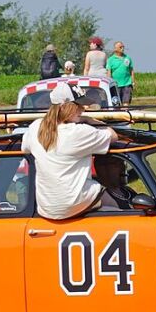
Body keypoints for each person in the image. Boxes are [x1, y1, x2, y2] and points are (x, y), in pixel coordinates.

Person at [21, 83, 117, 220]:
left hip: (47, 208)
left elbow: (24, 147)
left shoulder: (35, 127)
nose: (82, 109)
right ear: (64, 107)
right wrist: (88, 120)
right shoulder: (78, 132)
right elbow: (113, 135)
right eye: (78, 106)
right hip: (74, 203)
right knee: (117, 204)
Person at [106, 41, 134, 105]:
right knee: (116, 103)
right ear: (116, 49)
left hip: (127, 83)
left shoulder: (127, 58)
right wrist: (109, 83)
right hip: (116, 85)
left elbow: (131, 70)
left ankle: (125, 113)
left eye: (123, 47)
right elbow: (109, 72)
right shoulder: (110, 59)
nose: (123, 48)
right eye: (120, 47)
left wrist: (133, 82)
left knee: (126, 102)